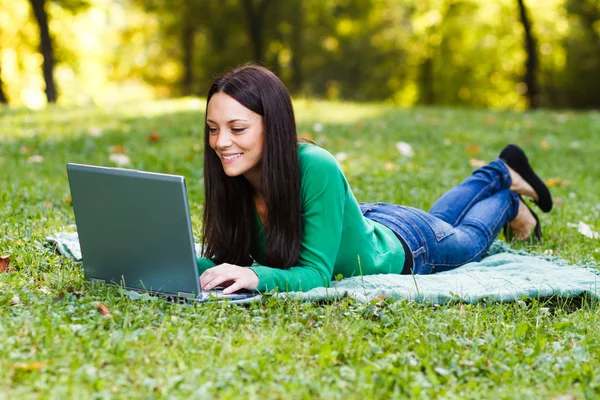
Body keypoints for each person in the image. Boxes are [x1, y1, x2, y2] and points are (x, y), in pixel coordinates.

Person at [197, 65, 553, 294]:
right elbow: (222, 259)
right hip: (368, 221)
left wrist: (258, 277)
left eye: (237, 128)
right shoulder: (235, 175)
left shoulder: (315, 166)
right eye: (213, 129)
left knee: (469, 238)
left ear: (272, 125)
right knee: (444, 220)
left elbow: (314, 276)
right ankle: (499, 172)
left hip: (410, 248)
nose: (221, 142)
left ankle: (506, 198)